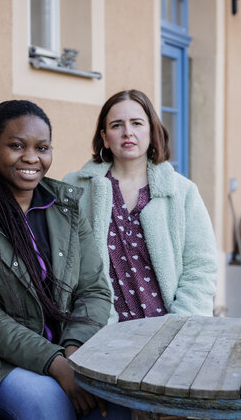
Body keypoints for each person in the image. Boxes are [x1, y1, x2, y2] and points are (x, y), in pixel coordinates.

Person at [0, 100, 131, 420]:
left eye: (42, 147)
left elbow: (94, 288)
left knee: (120, 404)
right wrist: (55, 363)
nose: (31, 157)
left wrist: (73, 351)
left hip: (71, 350)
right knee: (48, 406)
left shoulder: (65, 205)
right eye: (16, 145)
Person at [63, 89, 218, 324]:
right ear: (104, 137)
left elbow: (201, 267)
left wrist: (178, 326)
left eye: (136, 123)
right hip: (101, 335)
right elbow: (64, 265)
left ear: (151, 131)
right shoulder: (76, 188)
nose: (128, 132)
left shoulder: (182, 192)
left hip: (169, 334)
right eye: (117, 125)